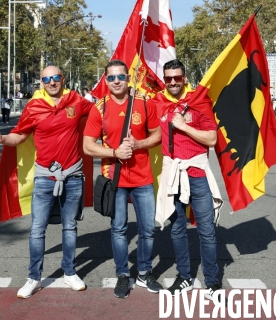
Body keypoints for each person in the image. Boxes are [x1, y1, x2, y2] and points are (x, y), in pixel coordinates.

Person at [0, 65, 93, 298]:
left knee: (70, 227)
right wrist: (2, 138)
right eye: (47, 79)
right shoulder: (34, 107)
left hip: (73, 175)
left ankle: (69, 273)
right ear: (41, 83)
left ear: (63, 79)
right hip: (44, 177)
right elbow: (21, 135)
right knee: (37, 229)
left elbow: (103, 113)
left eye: (55, 78)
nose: (51, 82)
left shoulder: (77, 101)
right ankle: (34, 277)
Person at [83, 60, 163, 299]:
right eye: (111, 78)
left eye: (120, 77)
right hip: (114, 179)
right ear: (105, 80)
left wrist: (139, 144)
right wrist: (114, 152)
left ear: (128, 78)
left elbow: (157, 134)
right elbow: (88, 146)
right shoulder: (99, 108)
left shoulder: (143, 102)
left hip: (142, 177)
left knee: (147, 229)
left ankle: (145, 272)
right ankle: (122, 275)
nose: (116, 81)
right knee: (118, 230)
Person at [152, 59, 223, 299]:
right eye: (169, 78)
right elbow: (150, 130)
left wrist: (183, 126)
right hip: (172, 173)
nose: (173, 82)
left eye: (177, 78)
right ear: (164, 79)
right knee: (177, 229)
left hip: (197, 173)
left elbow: (212, 139)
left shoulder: (198, 100)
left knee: (206, 230)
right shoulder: (157, 101)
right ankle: (184, 277)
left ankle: (212, 283)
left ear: (184, 77)